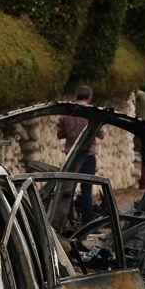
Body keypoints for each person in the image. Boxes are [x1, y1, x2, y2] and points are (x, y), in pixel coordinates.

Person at [56, 84, 103, 224]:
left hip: (71, 156)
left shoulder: (66, 113)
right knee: (86, 190)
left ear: (75, 96)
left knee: (68, 190)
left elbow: (60, 134)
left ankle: (67, 220)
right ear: (90, 97)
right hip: (88, 156)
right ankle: (87, 222)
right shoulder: (94, 112)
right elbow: (101, 135)